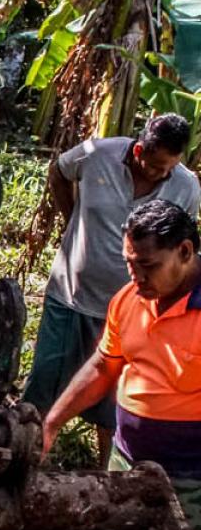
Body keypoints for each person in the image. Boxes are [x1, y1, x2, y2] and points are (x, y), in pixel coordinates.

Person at [28, 113, 201, 466]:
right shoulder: (96, 155)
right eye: (154, 166)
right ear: (138, 150)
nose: (161, 174)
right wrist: (71, 218)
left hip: (188, 473)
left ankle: (107, 463)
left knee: (113, 402)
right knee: (46, 376)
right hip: (74, 293)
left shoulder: (186, 187)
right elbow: (58, 173)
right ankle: (30, 449)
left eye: (169, 167)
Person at [42, 199, 201, 530]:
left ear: (185, 252)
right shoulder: (128, 299)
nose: (136, 276)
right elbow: (104, 366)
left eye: (148, 265)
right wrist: (52, 422)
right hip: (126, 460)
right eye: (130, 263)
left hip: (191, 478)